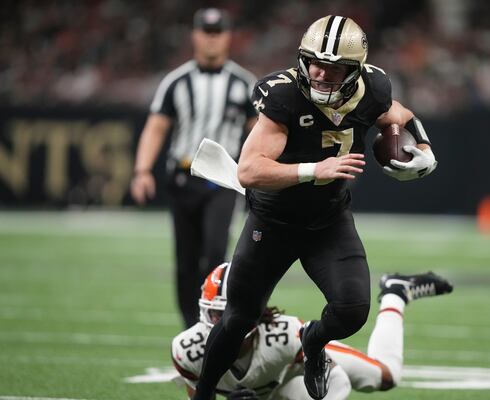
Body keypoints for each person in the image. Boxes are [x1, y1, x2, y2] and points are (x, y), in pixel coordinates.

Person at [194, 15, 438, 400]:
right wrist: (313, 169)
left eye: (333, 67)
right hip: (273, 221)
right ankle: (204, 395)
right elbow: (249, 170)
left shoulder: (371, 89)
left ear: (354, 71)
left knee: (353, 310)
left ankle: (314, 340)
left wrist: (424, 151)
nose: (321, 73)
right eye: (315, 63)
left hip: (328, 219)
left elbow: (400, 115)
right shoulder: (284, 95)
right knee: (240, 317)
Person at [130, 8, 258, 328]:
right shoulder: (176, 81)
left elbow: (260, 132)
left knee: (215, 251)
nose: (211, 38)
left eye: (217, 32)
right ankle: (191, 328)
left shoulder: (243, 83)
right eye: (206, 31)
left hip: (223, 179)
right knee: (185, 259)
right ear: (195, 36)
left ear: (228, 37)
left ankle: (212, 321)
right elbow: (156, 126)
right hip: (183, 176)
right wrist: (142, 170)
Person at [172, 263, 453, 399]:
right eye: (216, 313)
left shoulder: (284, 336)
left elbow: (337, 380)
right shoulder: (189, 350)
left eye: (229, 312)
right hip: (272, 386)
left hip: (295, 370)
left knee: (385, 375)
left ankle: (395, 293)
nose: (225, 321)